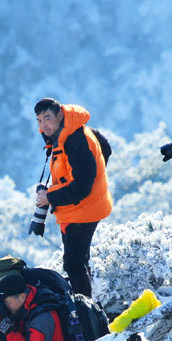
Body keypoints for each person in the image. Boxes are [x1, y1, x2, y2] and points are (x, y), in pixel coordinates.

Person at [33, 98, 113, 298]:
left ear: (60, 115)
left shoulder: (74, 140)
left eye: (47, 118)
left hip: (83, 211)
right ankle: (88, 306)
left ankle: (85, 311)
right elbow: (105, 148)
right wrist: (97, 177)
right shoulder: (73, 130)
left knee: (73, 263)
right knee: (79, 260)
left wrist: (49, 196)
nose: (43, 126)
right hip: (80, 208)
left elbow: (81, 186)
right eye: (39, 121)